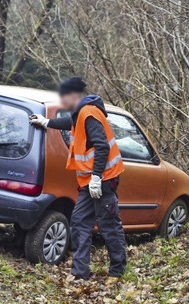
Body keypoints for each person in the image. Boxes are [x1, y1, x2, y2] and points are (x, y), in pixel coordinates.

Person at [29, 77, 127, 281]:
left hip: (104, 180)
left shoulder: (89, 112)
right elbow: (71, 124)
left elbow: (102, 146)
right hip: (90, 182)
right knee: (80, 221)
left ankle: (118, 270)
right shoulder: (80, 112)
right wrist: (47, 122)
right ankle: (80, 272)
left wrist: (96, 178)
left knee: (108, 224)